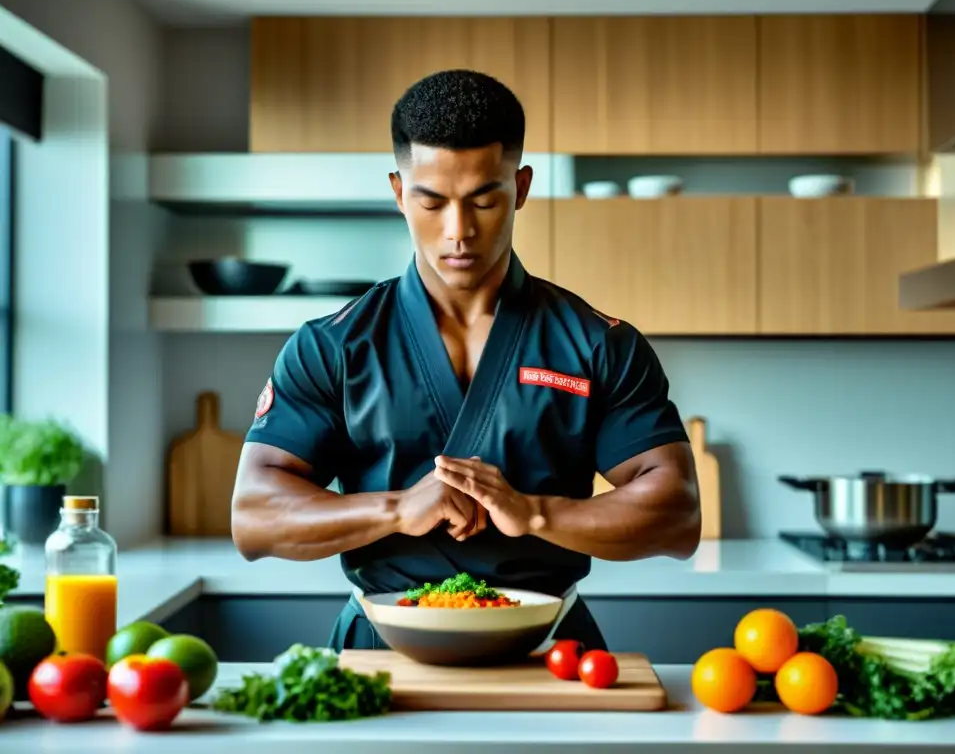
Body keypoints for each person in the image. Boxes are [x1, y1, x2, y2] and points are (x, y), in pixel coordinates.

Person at [230, 69, 701, 652]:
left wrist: (532, 514)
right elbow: (253, 518)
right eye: (432, 201)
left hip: (552, 654)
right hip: (379, 653)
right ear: (400, 193)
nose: (460, 231)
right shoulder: (332, 346)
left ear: (521, 188)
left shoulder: (598, 343)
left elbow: (677, 514)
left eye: (485, 199)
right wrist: (399, 508)